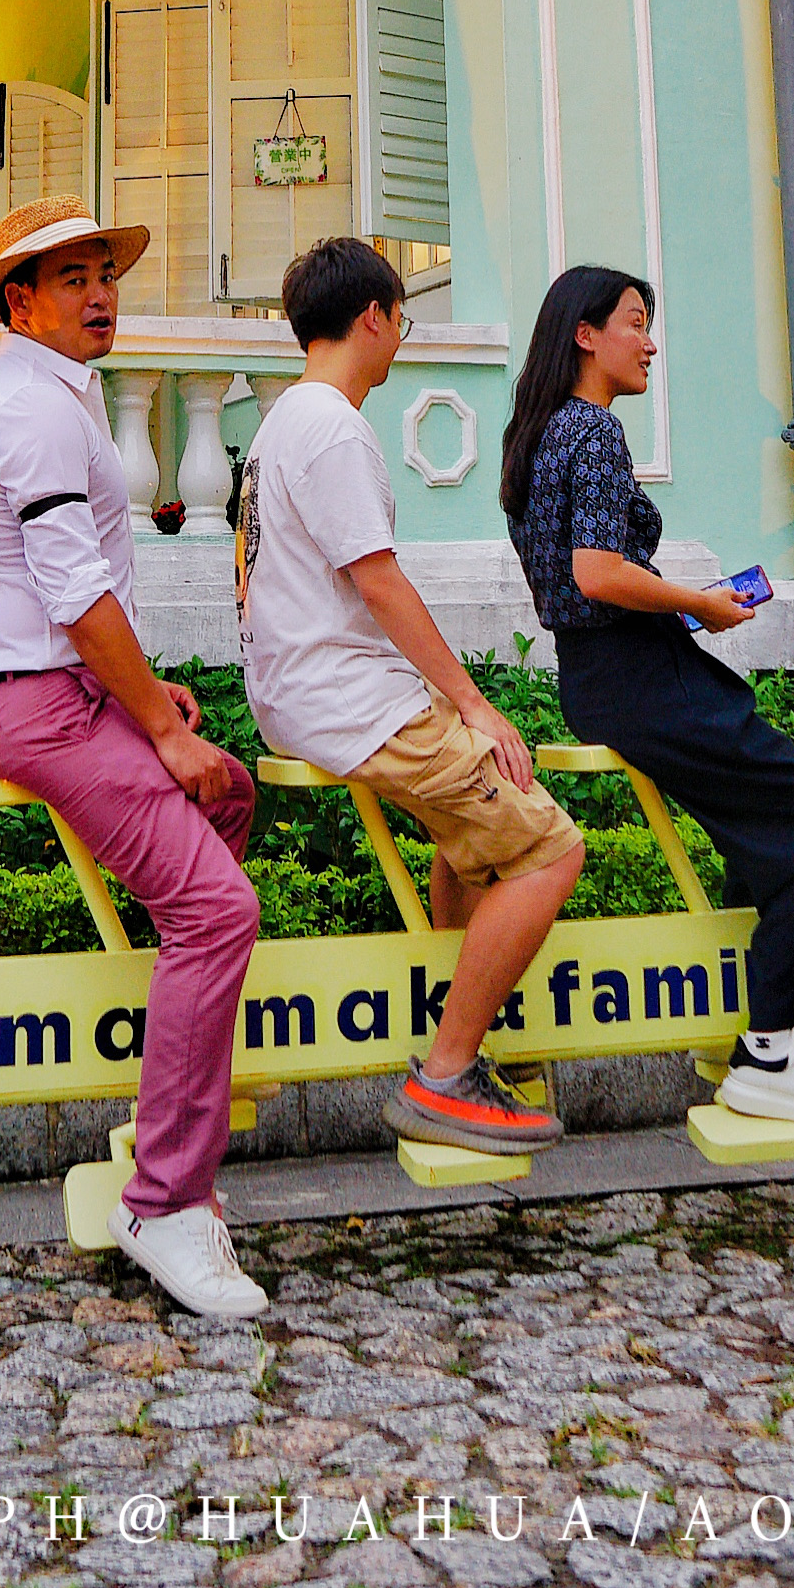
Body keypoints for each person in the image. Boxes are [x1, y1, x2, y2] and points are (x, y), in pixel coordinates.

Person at [0, 195, 267, 1320]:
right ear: (19, 302)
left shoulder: (59, 393)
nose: (100, 295)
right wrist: (161, 728)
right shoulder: (30, 407)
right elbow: (71, 587)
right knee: (218, 911)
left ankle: (174, 1078)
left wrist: (145, 700)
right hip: (30, 705)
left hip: (64, 690)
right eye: (71, 278)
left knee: (229, 797)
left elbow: (79, 597)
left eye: (105, 275)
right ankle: (165, 1202)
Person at [499, 266, 794, 1131]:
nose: (651, 343)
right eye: (635, 323)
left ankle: (777, 1025)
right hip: (642, 677)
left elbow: (581, 580)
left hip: (601, 677)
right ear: (586, 335)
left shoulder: (541, 433)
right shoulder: (593, 429)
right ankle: (772, 1050)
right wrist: (699, 603)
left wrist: (682, 607)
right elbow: (598, 574)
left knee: (765, 834)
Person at [239, 235, 585, 1158]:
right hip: (346, 697)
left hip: (304, 689)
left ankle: (453, 1028)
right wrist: (473, 703)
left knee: (473, 842)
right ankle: (446, 1072)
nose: (401, 336)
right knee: (551, 851)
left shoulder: (280, 423)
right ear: (375, 317)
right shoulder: (333, 428)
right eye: (403, 319)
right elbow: (380, 581)